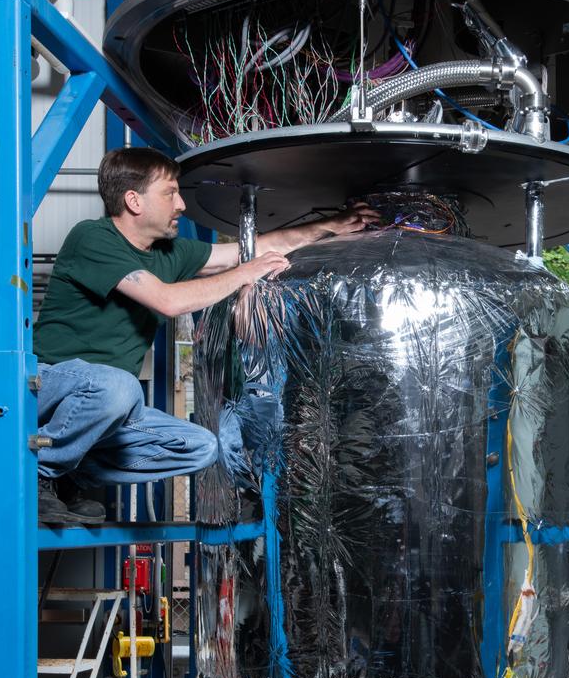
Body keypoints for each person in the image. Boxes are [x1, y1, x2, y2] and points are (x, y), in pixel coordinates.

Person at [33, 146, 377, 525]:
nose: (181, 204)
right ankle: (37, 471)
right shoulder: (93, 239)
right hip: (48, 385)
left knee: (200, 447)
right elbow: (167, 300)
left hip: (108, 404)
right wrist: (249, 272)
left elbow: (248, 250)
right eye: (169, 193)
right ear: (133, 201)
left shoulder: (169, 252)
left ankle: (71, 473)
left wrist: (331, 225)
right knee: (121, 387)